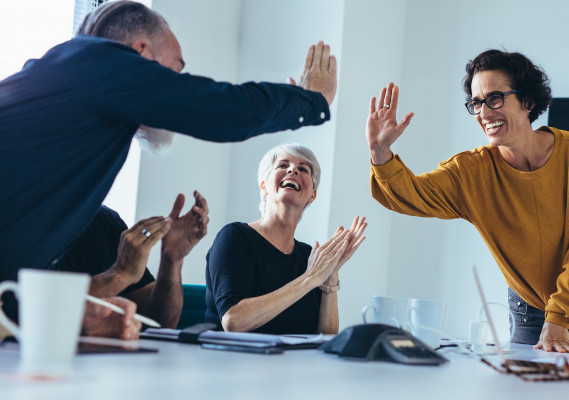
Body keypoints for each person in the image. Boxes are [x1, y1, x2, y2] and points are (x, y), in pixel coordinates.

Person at [0, 1, 336, 328]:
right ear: (142, 52)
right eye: (175, 73)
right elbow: (216, 106)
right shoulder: (101, 64)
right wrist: (310, 99)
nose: (175, 87)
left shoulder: (58, 79)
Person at [366, 49, 569, 353]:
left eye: (494, 98)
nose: (484, 113)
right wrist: (379, 152)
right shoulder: (470, 172)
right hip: (529, 304)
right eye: (476, 103)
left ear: (527, 101)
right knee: (525, 385)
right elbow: (409, 194)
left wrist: (558, 317)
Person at [206, 143, 366, 334]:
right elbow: (233, 322)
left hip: (293, 363)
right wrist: (310, 278)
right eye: (283, 165)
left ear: (312, 195)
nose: (292, 170)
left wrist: (330, 275)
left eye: (303, 169)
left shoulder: (312, 257)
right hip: (232, 361)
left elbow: (326, 338)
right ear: (264, 185)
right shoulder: (235, 237)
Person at [55, 191, 209, 330]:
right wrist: (120, 275)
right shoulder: (32, 221)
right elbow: (41, 311)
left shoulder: (103, 220)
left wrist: (171, 261)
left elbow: (159, 323)